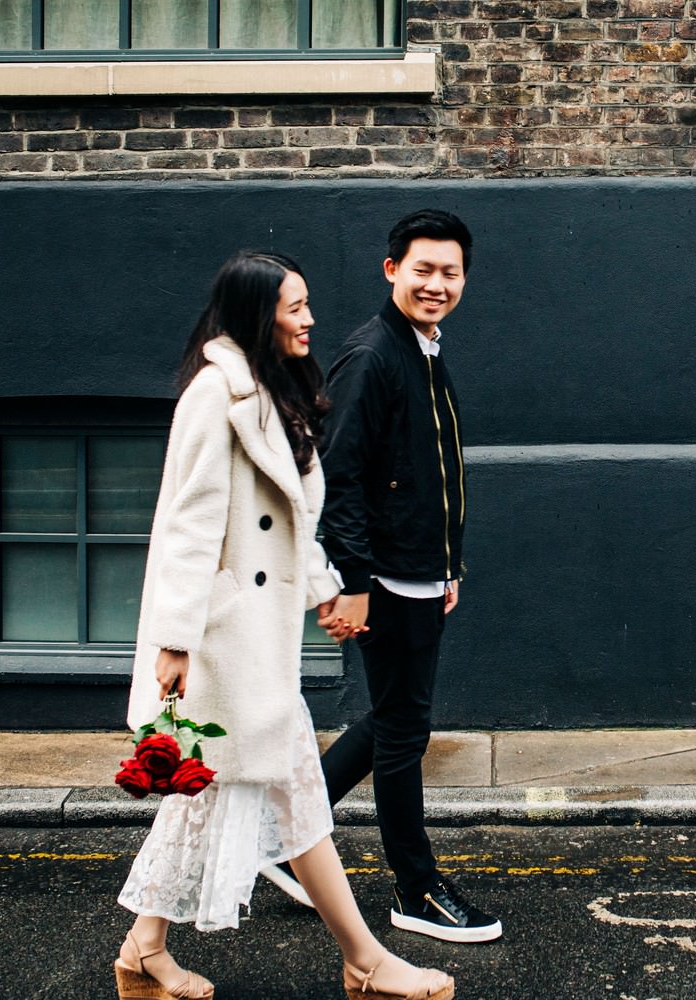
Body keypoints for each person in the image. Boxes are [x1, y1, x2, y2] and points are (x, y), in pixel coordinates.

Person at [114, 251, 455, 1000]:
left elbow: (291, 521)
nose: (309, 320)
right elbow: (188, 528)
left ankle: (144, 949)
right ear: (256, 313)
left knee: (210, 796)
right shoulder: (216, 396)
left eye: (306, 305)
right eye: (294, 308)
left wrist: (327, 589)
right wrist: (174, 640)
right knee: (296, 797)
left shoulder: (273, 391)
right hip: (221, 643)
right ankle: (364, 961)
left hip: (254, 642)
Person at [266, 210, 501, 943]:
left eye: (450, 272)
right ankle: (414, 888)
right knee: (404, 729)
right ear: (392, 269)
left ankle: (281, 842)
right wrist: (355, 583)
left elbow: (431, 471)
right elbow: (338, 475)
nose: (438, 284)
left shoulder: (422, 348)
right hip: (388, 579)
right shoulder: (374, 354)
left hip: (420, 571)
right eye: (423, 269)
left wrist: (447, 564)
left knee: (393, 717)